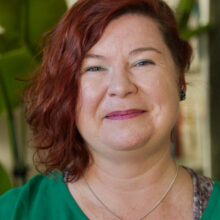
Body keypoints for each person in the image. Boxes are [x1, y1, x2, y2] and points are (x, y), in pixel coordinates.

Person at [0, 0, 220, 219]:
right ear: (67, 92)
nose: (121, 87)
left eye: (142, 62)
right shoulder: (14, 212)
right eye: (94, 67)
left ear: (179, 79)